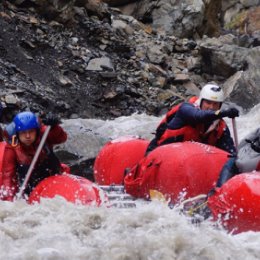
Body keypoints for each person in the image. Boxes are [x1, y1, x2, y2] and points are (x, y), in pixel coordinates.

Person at [145, 83, 239, 155]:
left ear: (220, 105)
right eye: (208, 102)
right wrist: (224, 113)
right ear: (201, 101)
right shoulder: (185, 110)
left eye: (215, 104)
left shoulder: (219, 127)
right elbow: (199, 116)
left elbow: (229, 152)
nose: (211, 107)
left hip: (187, 163)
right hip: (157, 155)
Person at [0, 111, 67, 200]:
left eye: (31, 132)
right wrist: (9, 200)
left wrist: (54, 127)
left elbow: (61, 138)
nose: (28, 136)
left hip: (52, 178)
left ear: (36, 131)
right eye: (23, 132)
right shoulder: (12, 147)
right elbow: (8, 177)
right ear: (17, 133)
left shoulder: (44, 134)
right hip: (28, 185)